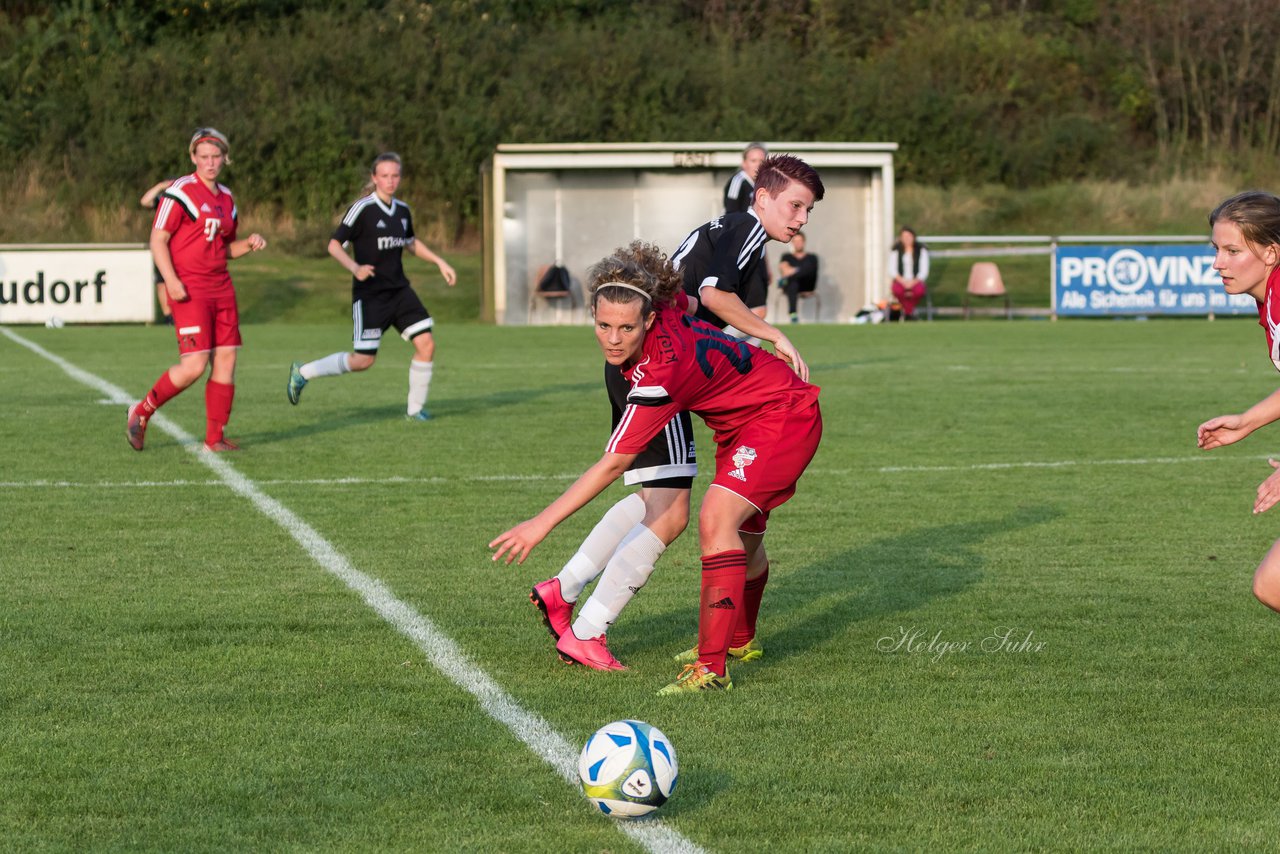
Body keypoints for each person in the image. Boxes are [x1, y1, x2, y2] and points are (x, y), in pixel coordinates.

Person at [528, 154, 823, 673]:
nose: (800, 219)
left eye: (807, 210)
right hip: (658, 364)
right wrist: (772, 333)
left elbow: (688, 301)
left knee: (663, 497)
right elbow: (709, 294)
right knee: (672, 512)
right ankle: (589, 627)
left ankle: (565, 589)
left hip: (658, 359)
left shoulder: (721, 230)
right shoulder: (747, 229)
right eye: (795, 205)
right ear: (761, 197)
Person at [126, 128, 267, 453]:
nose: (210, 162)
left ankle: (214, 439)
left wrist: (249, 243)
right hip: (190, 288)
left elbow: (225, 247)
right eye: (203, 156)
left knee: (227, 358)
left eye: (216, 156)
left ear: (225, 157)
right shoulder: (180, 191)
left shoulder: (227, 198)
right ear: (193, 158)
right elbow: (158, 240)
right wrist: (171, 280)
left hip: (221, 287)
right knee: (194, 365)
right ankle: (142, 410)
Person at [286, 152, 457, 420]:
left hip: (400, 292)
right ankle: (304, 372)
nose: (390, 181)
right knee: (363, 361)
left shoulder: (402, 210)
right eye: (385, 176)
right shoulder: (362, 208)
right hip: (370, 296)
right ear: (374, 178)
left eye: (395, 175)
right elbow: (333, 245)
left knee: (427, 344)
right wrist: (355, 268)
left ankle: (415, 411)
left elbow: (410, 242)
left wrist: (439, 261)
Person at [1198, 190, 1280, 614]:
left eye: (1232, 250)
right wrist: (1248, 421)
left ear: (1271, 252)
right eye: (1217, 249)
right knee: (1273, 585)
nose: (1218, 263)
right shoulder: (1270, 302)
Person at [723, 142, 771, 324]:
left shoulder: (764, 188)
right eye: (753, 160)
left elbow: (763, 229)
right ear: (744, 163)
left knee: (757, 311)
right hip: (742, 252)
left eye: (762, 160)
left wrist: (766, 263)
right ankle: (724, 345)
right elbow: (730, 219)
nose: (758, 164)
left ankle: (742, 350)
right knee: (756, 311)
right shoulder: (739, 182)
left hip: (757, 253)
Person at [140, 178, 179, 324]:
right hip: (163, 247)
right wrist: (161, 185)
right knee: (161, 282)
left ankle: (183, 312)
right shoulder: (164, 201)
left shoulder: (187, 200)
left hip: (181, 248)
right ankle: (168, 317)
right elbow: (145, 201)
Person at [889, 226, 930, 320]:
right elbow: (892, 270)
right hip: (901, 280)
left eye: (909, 236)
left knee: (918, 291)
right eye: (904, 237)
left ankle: (907, 313)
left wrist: (912, 282)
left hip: (916, 280)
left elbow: (924, 271)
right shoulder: (896, 251)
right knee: (898, 290)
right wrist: (903, 281)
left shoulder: (921, 251)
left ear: (913, 237)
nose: (907, 239)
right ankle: (910, 313)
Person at [778, 232, 819, 323]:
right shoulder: (786, 256)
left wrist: (792, 270)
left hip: (807, 285)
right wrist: (800, 270)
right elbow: (784, 271)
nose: (798, 243)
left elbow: (811, 272)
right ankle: (793, 314)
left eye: (800, 241)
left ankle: (787, 280)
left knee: (807, 268)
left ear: (804, 242)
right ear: (792, 243)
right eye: (795, 241)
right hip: (791, 286)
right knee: (793, 282)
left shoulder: (812, 258)